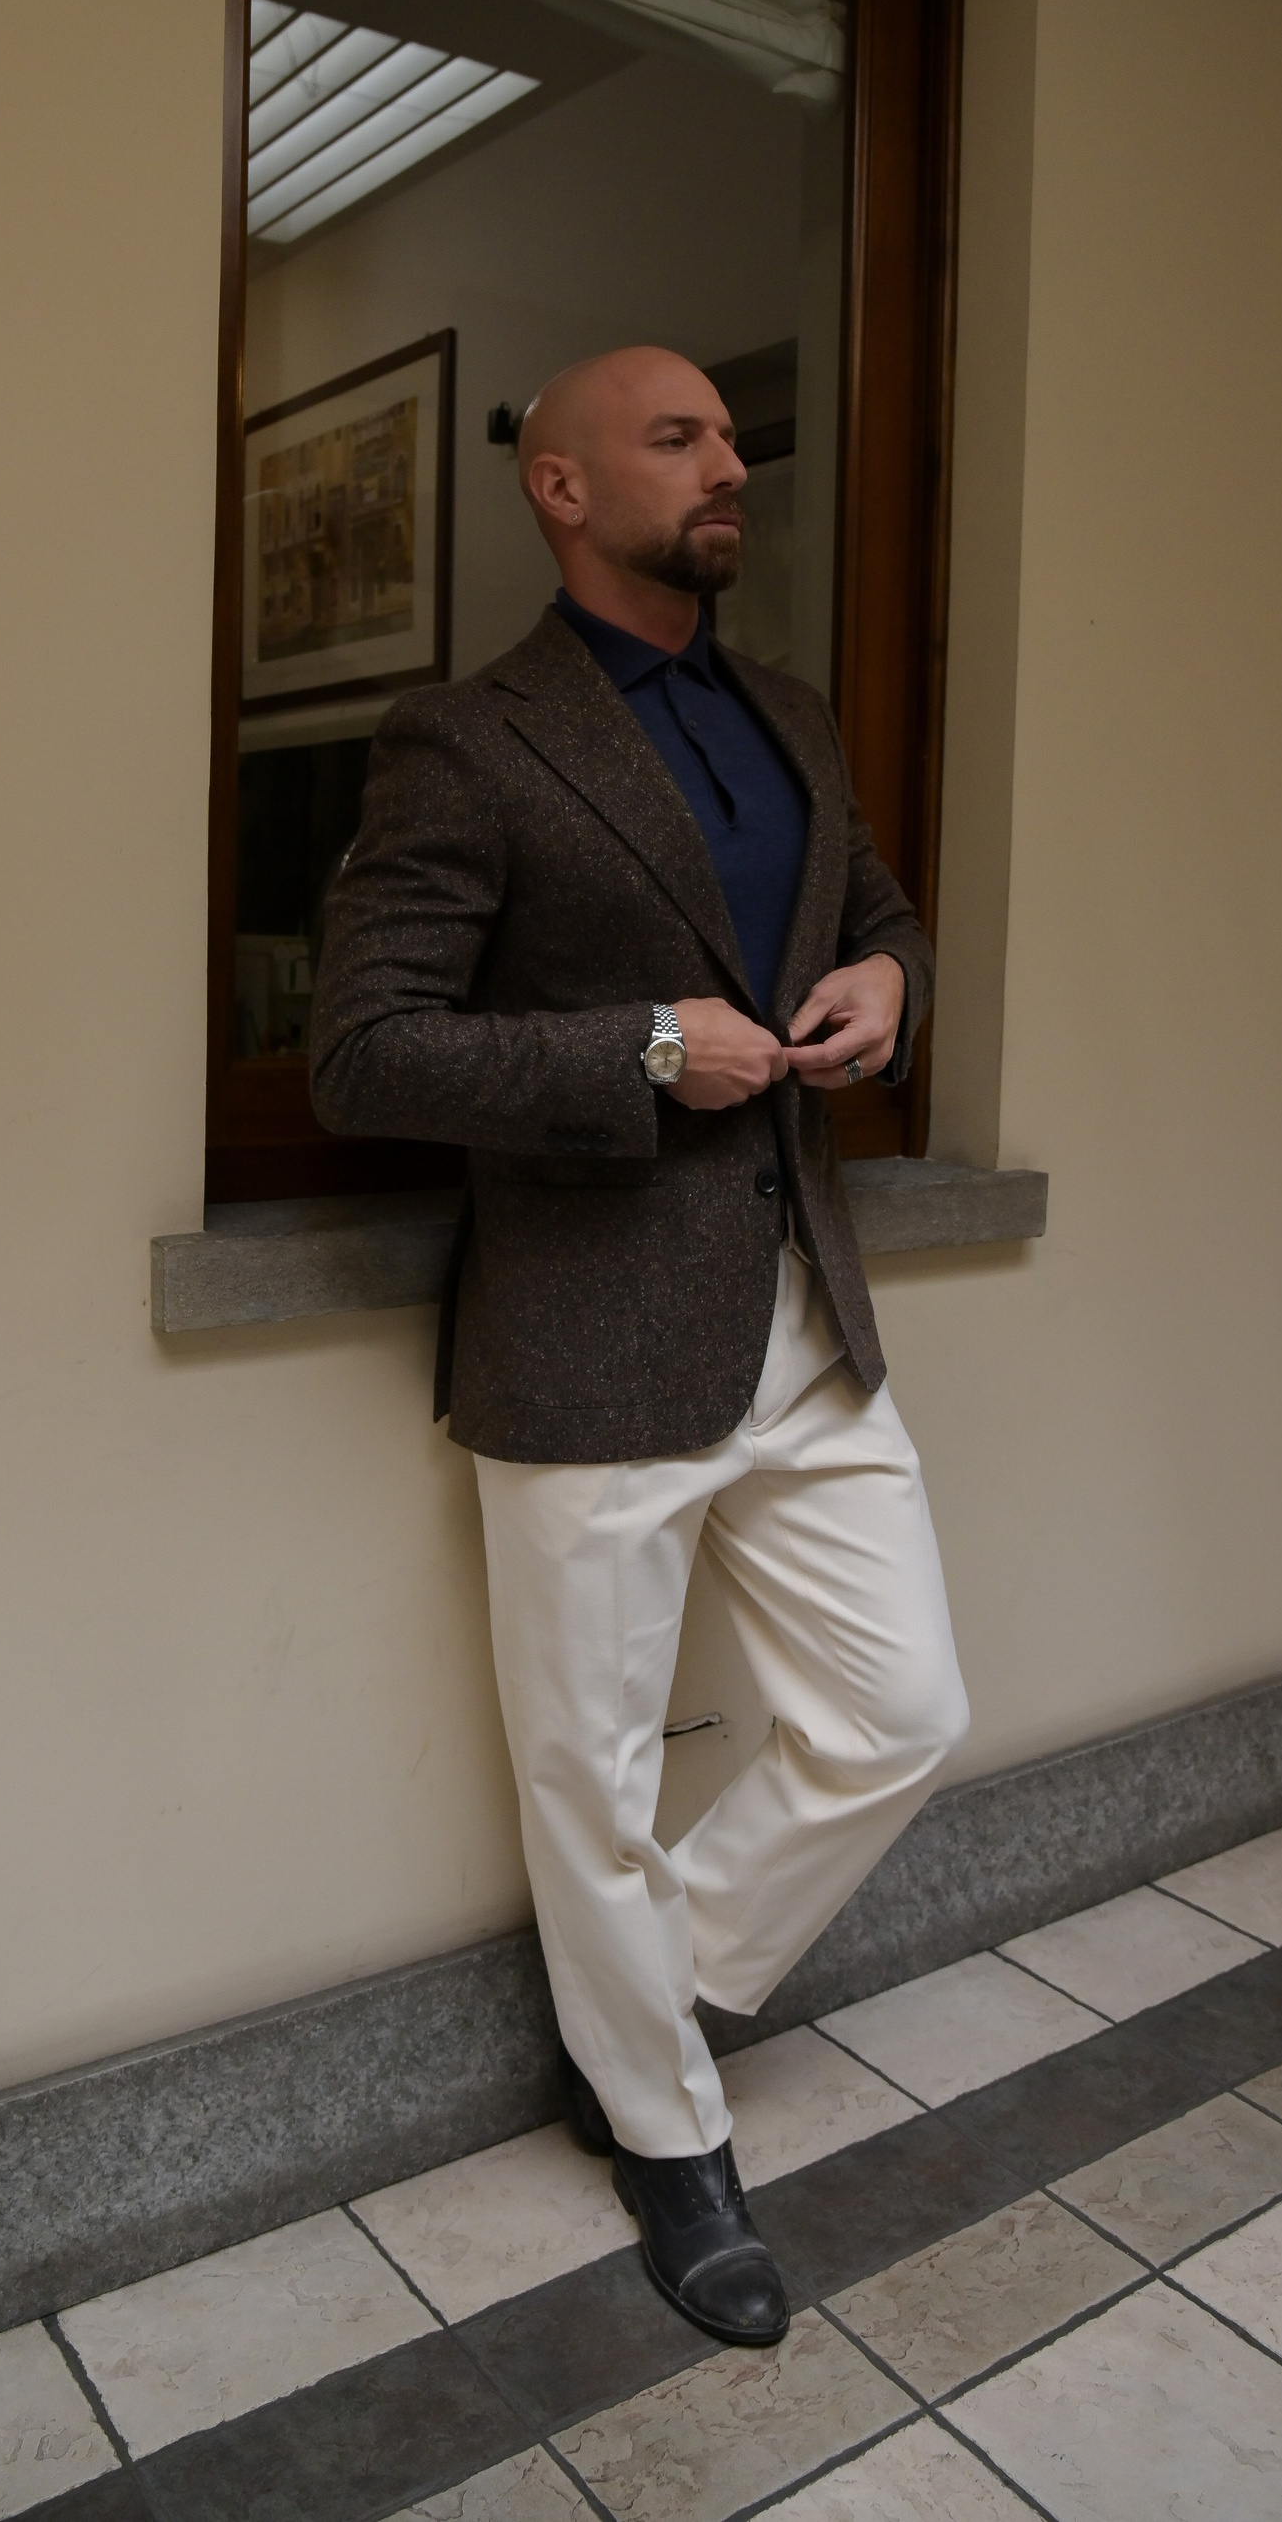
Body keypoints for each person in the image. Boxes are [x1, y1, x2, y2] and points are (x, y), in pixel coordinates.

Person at [310, 345, 969, 2347]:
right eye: (676, 439)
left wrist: (888, 984)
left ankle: (637, 2008)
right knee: (587, 1775)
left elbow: (885, 915)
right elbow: (364, 1050)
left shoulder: (793, 716)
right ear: (563, 487)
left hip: (804, 1314)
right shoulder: (466, 737)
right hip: (588, 1337)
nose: (726, 466)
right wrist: (644, 1049)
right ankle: (670, 2138)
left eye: (729, 438)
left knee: (903, 1713)